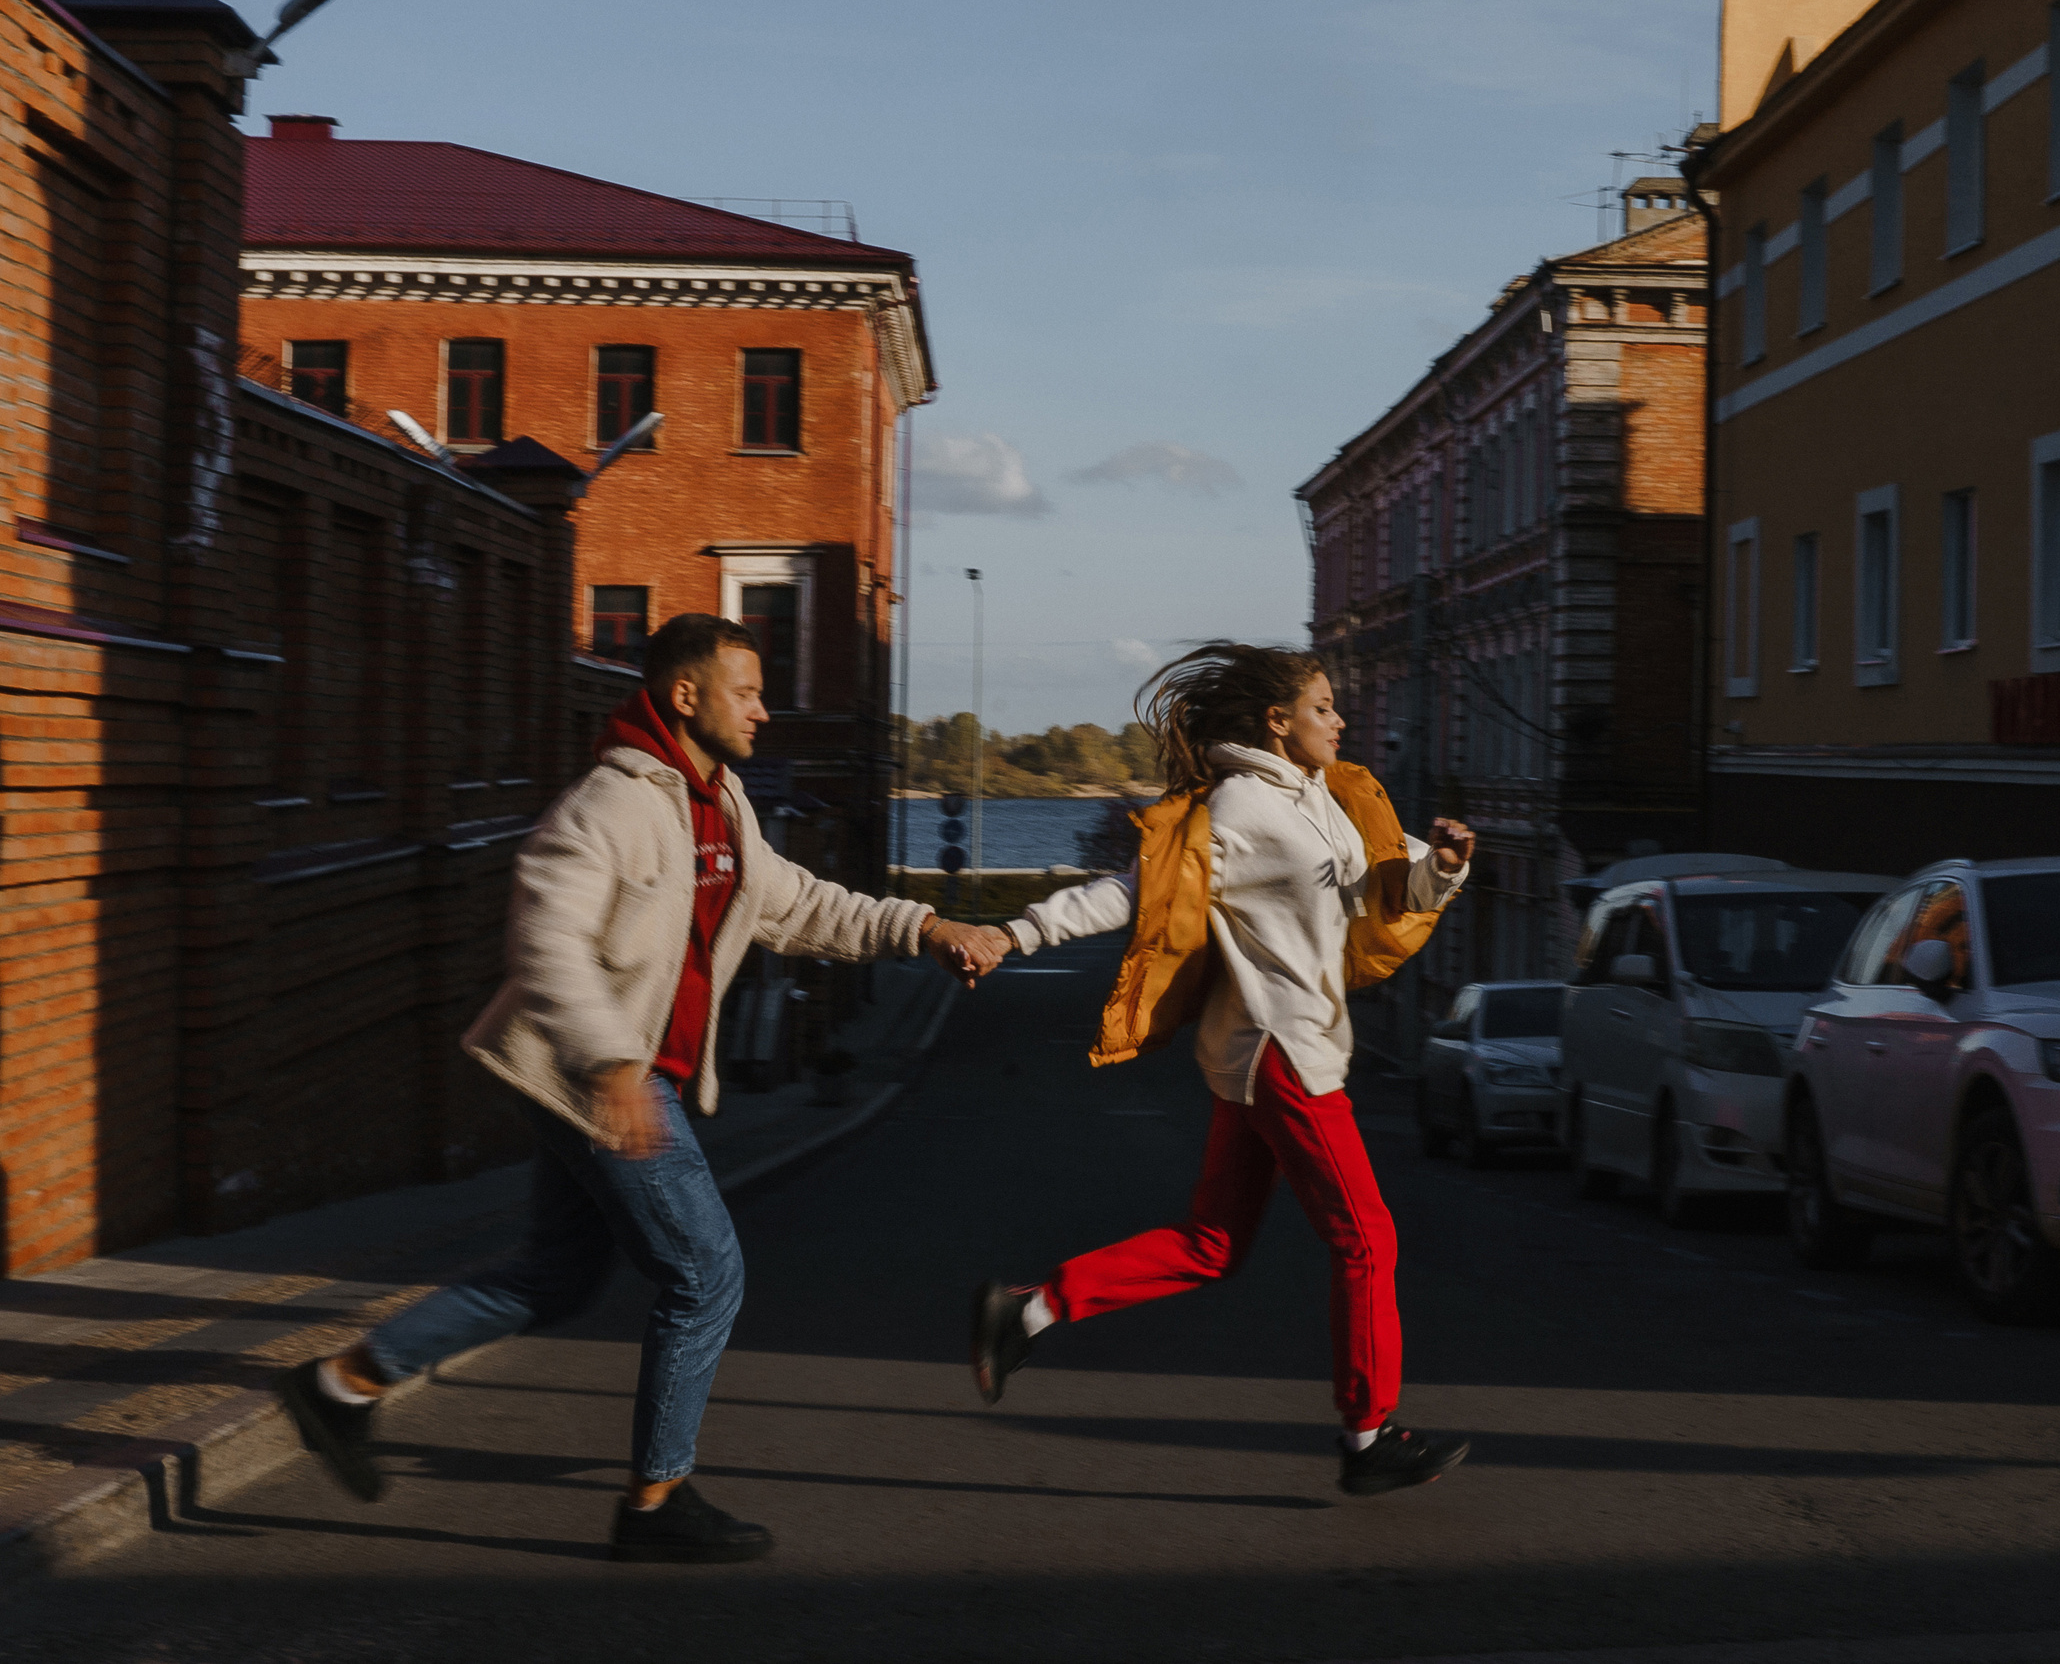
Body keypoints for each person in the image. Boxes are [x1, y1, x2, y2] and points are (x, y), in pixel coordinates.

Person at [277, 614, 1012, 1562]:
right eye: (746, 691)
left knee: (554, 1277)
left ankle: (340, 1387)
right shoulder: (609, 804)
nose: (765, 709)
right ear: (685, 695)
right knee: (706, 1274)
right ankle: (656, 1503)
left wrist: (925, 926)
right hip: (600, 1077)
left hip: (615, 1077)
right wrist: (613, 1063)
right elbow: (545, 936)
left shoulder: (722, 803)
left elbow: (796, 902)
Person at [967, 642, 1475, 1497]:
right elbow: (1133, 893)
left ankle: (1030, 1308)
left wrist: (1443, 867)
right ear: (1279, 722)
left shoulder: (1325, 795)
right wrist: (1014, 934)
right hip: (1284, 1053)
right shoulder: (1239, 805)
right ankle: (1366, 1432)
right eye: (1323, 706)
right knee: (1367, 1236)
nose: (1340, 720)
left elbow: (1383, 891)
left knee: (1213, 1243)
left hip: (1269, 1051)